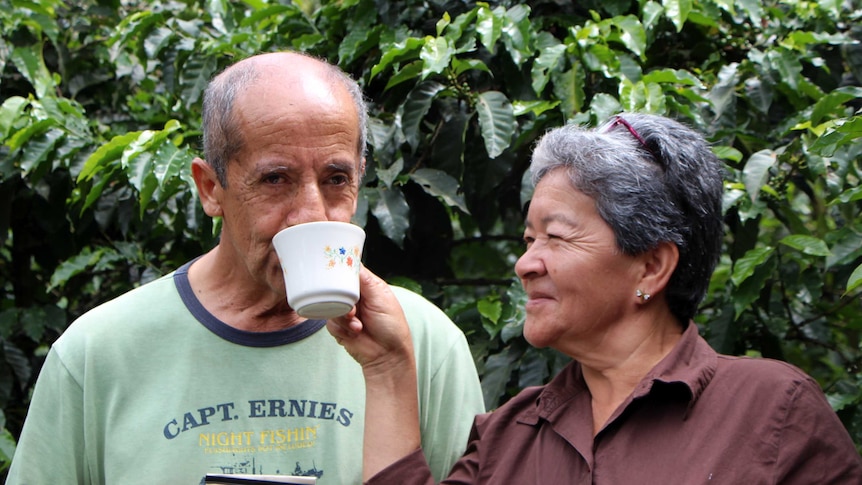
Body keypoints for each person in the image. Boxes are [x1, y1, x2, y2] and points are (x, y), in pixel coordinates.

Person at [6, 51, 485, 484]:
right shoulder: (97, 355)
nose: (312, 213)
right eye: (276, 179)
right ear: (211, 188)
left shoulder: (422, 344)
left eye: (336, 179)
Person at [328, 113, 862, 483]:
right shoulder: (511, 434)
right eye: (528, 239)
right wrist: (385, 366)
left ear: (652, 265)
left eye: (556, 237)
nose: (525, 263)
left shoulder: (772, 410)